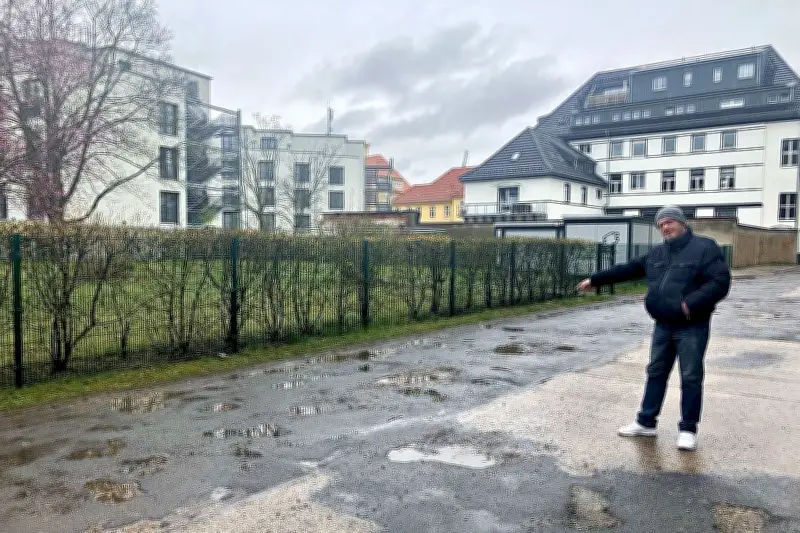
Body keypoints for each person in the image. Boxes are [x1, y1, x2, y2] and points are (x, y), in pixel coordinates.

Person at [576, 205, 731, 451]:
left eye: (669, 222)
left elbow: (720, 282)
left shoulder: (704, 248)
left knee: (690, 376)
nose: (665, 227)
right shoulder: (657, 253)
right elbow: (628, 269)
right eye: (661, 225)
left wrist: (688, 304)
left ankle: (688, 429)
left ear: (682, 223)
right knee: (656, 372)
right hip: (662, 324)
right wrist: (596, 280)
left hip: (692, 325)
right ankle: (646, 422)